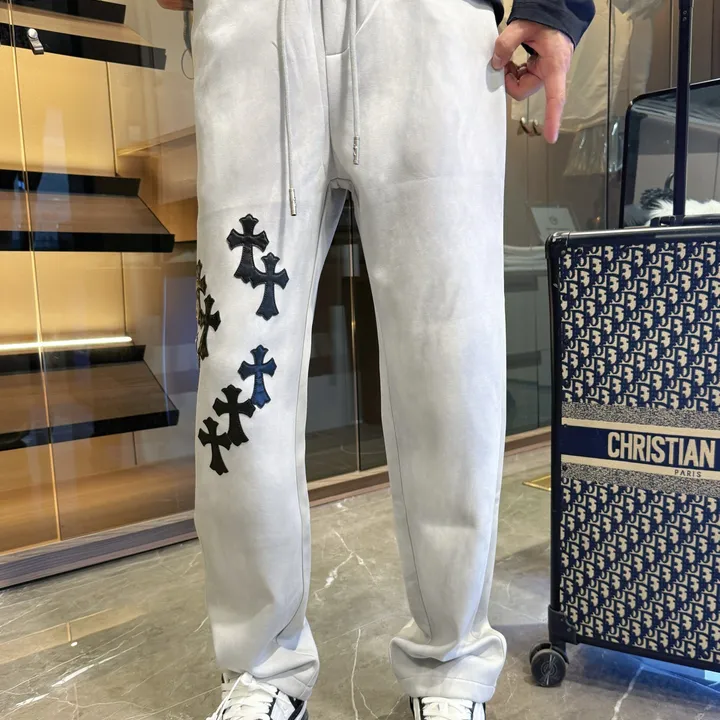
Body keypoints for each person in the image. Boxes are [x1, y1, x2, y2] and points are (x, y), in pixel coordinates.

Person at [157, 1, 594, 719]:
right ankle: (260, 666)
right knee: (236, 369)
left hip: (434, 25)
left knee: (453, 366)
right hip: (254, 26)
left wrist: (557, 6)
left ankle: (451, 664)